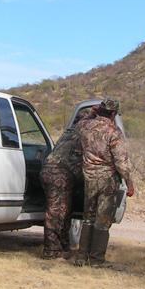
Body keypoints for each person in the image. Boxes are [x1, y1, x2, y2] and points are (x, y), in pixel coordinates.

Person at [73, 98, 135, 267]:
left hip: (89, 179)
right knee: (102, 220)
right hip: (107, 180)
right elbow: (121, 162)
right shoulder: (113, 132)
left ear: (99, 110)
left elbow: (80, 121)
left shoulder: (85, 127)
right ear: (114, 113)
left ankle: (81, 257)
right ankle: (96, 259)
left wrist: (92, 113)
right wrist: (129, 183)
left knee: (88, 218)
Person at [39, 107, 95, 259]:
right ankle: (51, 251)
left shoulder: (69, 132)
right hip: (59, 175)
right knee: (56, 214)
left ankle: (63, 249)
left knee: (63, 212)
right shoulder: (84, 133)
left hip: (50, 172)